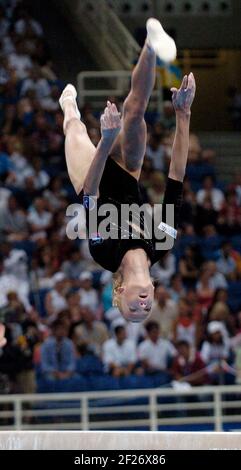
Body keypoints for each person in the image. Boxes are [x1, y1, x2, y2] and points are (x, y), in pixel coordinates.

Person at [60, 18, 196, 322]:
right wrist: (183, 115)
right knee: (134, 113)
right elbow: (176, 177)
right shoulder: (162, 242)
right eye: (146, 310)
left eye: (133, 308)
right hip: (126, 172)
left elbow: (91, 196)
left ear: (119, 293)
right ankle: (150, 43)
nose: (143, 306)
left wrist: (106, 140)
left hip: (89, 178)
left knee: (75, 129)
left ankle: (68, 104)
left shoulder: (104, 253)